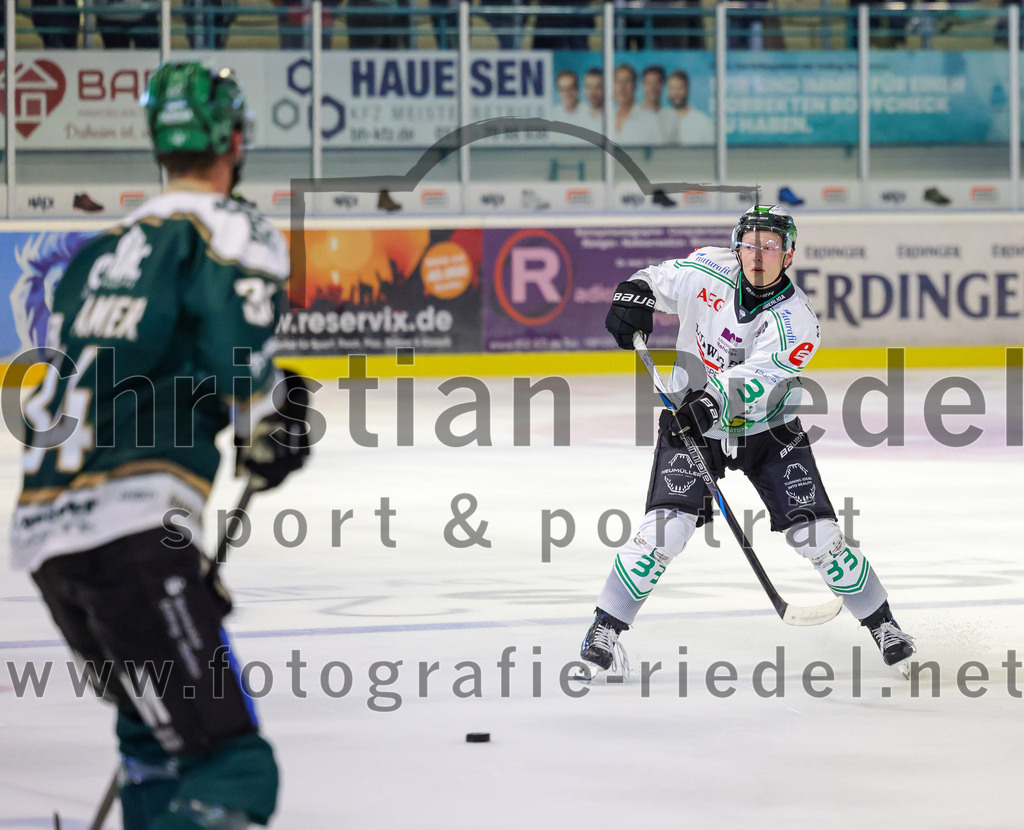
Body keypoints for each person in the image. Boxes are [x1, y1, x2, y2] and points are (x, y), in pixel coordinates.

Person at [10, 62, 312, 829]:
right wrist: (272, 421)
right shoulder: (228, 228)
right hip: (135, 535)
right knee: (231, 767)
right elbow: (236, 362)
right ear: (236, 141)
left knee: (151, 738)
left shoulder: (97, 253)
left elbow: (114, 379)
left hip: (48, 542)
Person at [579, 205, 916, 677]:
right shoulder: (706, 268)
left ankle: (885, 625)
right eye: (751, 244)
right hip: (691, 421)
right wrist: (633, 295)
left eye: (771, 246)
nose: (759, 254)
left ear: (790, 253)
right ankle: (605, 630)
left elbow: (756, 378)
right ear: (737, 247)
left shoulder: (798, 322)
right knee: (664, 530)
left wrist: (710, 402)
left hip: (768, 430)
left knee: (817, 536)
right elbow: (655, 279)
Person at [612, 63, 662, 145]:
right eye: (618, 82)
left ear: (635, 85)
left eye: (626, 82)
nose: (622, 87)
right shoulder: (606, 118)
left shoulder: (649, 119)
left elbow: (659, 154)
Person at [666, 68, 714, 145]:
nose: (676, 93)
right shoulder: (661, 121)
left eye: (679, 88)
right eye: (672, 89)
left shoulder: (702, 122)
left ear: (687, 90)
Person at [640, 65, 676, 144]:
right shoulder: (633, 115)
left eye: (657, 83)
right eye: (649, 83)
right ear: (643, 85)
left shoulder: (671, 117)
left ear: (663, 85)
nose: (653, 88)